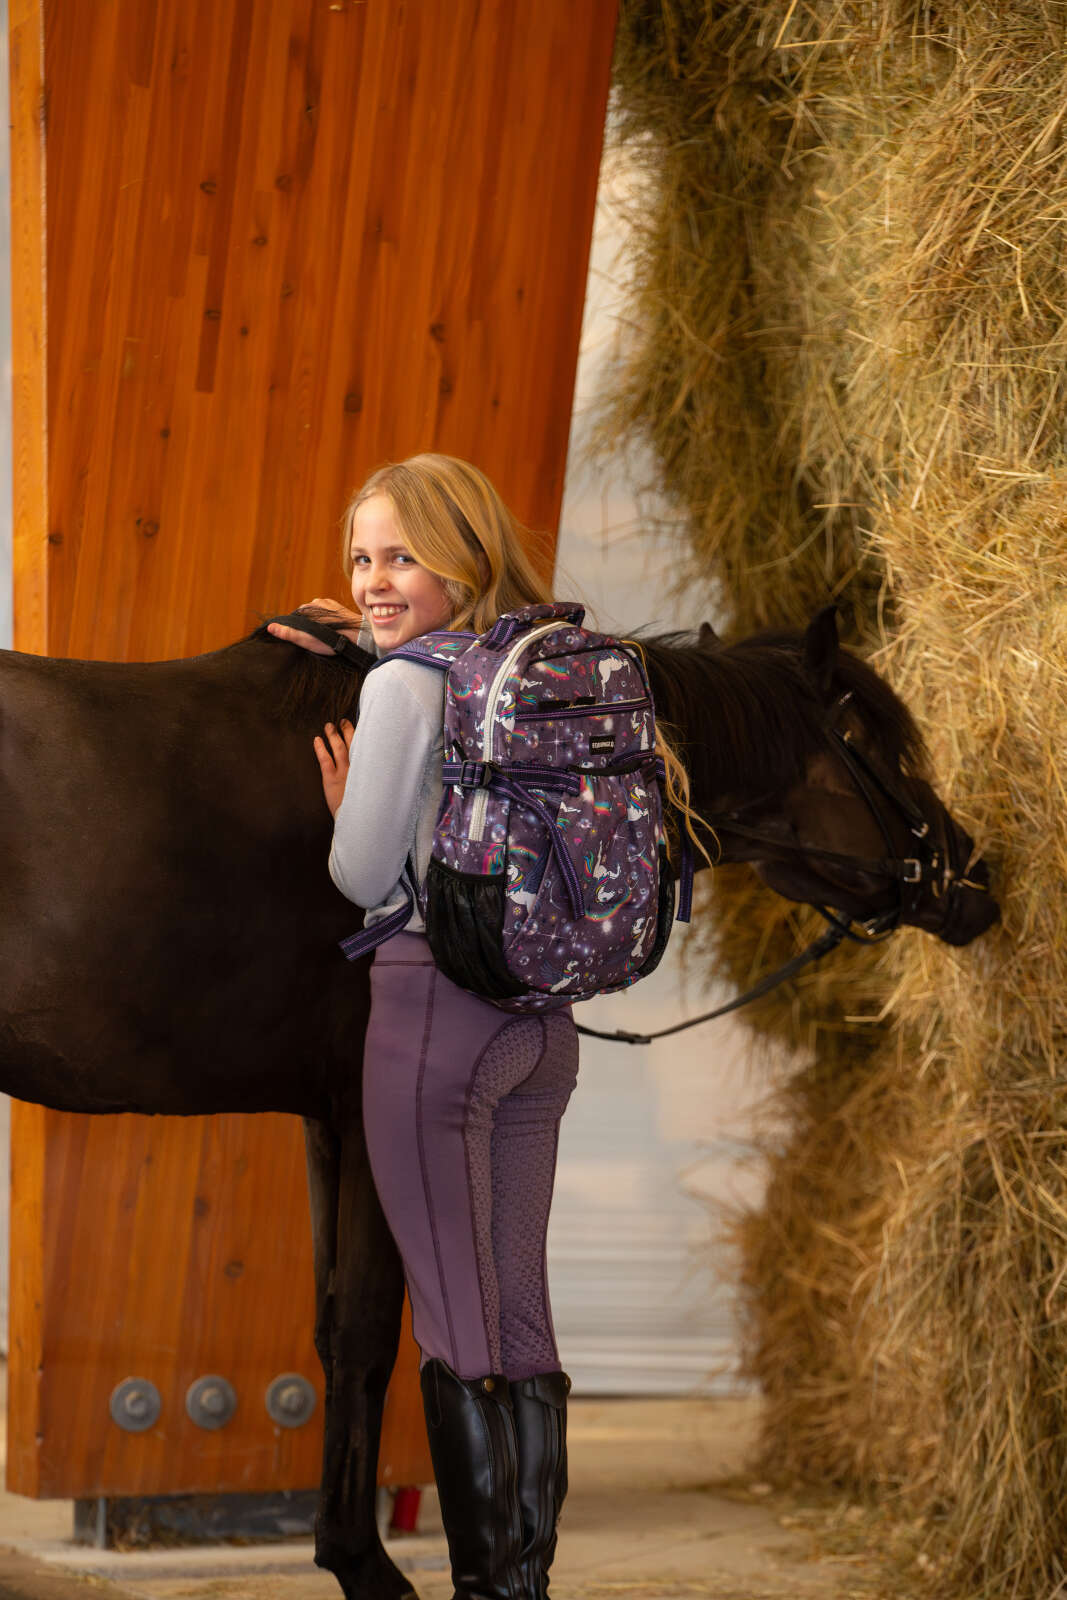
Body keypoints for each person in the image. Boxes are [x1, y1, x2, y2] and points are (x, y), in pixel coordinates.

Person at [269, 453, 578, 1600]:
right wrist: (369, 639)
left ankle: (489, 1592)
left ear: (466, 555)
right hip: (539, 1031)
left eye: (402, 555)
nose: (374, 580)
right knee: (520, 1315)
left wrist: (350, 808)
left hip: (432, 1021)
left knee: (457, 1325)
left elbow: (361, 877)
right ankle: (524, 1584)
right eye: (360, 557)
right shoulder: (545, 659)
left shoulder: (402, 687)